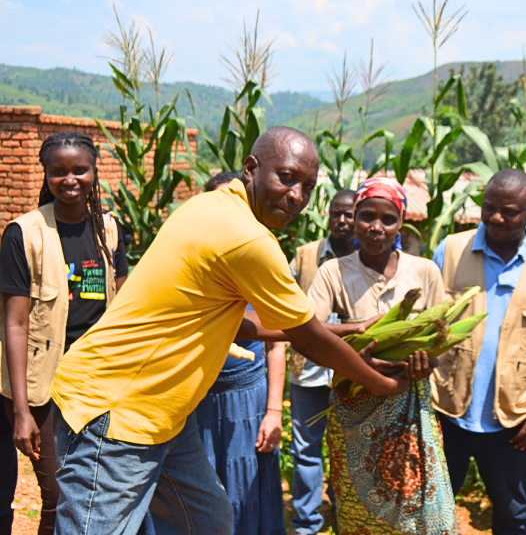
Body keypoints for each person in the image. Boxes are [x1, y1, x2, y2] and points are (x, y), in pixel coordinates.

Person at [48, 127, 409, 535]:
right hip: (116, 409)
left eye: (308, 187)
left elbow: (244, 324)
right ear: (251, 168)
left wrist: (348, 328)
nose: (296, 197)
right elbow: (307, 338)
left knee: (204, 522)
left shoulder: (209, 206)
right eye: (286, 177)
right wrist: (380, 383)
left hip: (162, 412)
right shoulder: (248, 238)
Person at [307, 176, 459, 535]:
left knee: (417, 503)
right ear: (355, 218)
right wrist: (356, 342)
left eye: (388, 219)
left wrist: (426, 364)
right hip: (354, 399)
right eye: (367, 216)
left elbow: (441, 337)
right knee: (359, 504)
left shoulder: (424, 271)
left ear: (400, 225)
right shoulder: (334, 271)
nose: (376, 227)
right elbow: (308, 328)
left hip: (408, 400)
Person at [431, 168, 526, 535]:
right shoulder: (450, 251)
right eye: (489, 206)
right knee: (433, 508)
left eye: (509, 211)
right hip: (447, 410)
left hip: (514, 419)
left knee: (513, 513)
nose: (497, 217)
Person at [0, 131, 128, 535]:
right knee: (57, 495)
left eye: (79, 170)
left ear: (94, 172)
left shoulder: (110, 231)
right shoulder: (25, 234)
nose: (69, 179)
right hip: (43, 384)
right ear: (46, 174)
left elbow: (124, 306)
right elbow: (15, 324)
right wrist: (21, 411)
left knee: (90, 490)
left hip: (97, 379)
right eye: (58, 172)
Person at [191, 172, 287, 535]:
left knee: (246, 490)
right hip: (197, 397)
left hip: (247, 399)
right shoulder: (195, 261)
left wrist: (273, 411)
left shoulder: (263, 258)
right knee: (200, 490)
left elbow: (277, 340)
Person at [288, 188, 356, 535]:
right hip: (308, 370)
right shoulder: (304, 257)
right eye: (336, 213)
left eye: (349, 214)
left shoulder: (371, 259)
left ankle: (346, 514)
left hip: (351, 372)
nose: (342, 221)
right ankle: (307, 524)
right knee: (306, 449)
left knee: (349, 448)